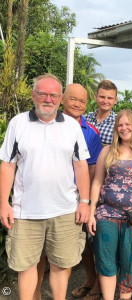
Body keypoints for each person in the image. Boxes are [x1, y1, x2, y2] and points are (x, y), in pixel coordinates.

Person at [0, 74, 90, 300]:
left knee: (61, 266)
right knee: (26, 266)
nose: (48, 99)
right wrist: (3, 204)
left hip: (65, 210)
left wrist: (85, 202)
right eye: (42, 93)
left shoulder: (71, 126)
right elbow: (7, 166)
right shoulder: (18, 123)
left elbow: (81, 167)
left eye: (53, 95)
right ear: (33, 95)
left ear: (60, 98)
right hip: (25, 211)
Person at [33, 83, 103, 300]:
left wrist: (88, 201)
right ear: (63, 99)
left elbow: (92, 169)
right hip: (41, 200)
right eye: (73, 99)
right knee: (39, 252)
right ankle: (33, 293)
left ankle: (88, 282)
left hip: (74, 201)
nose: (78, 104)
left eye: (83, 101)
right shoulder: (41, 124)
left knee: (72, 250)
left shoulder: (90, 133)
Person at [88, 109, 132, 300]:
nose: (124, 128)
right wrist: (92, 213)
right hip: (107, 214)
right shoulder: (107, 151)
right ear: (116, 128)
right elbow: (97, 182)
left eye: (128, 124)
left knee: (130, 262)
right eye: (120, 125)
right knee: (106, 260)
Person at [85, 80, 118, 146]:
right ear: (96, 97)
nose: (105, 101)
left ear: (115, 100)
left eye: (110, 98)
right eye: (102, 97)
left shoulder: (118, 123)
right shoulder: (85, 119)